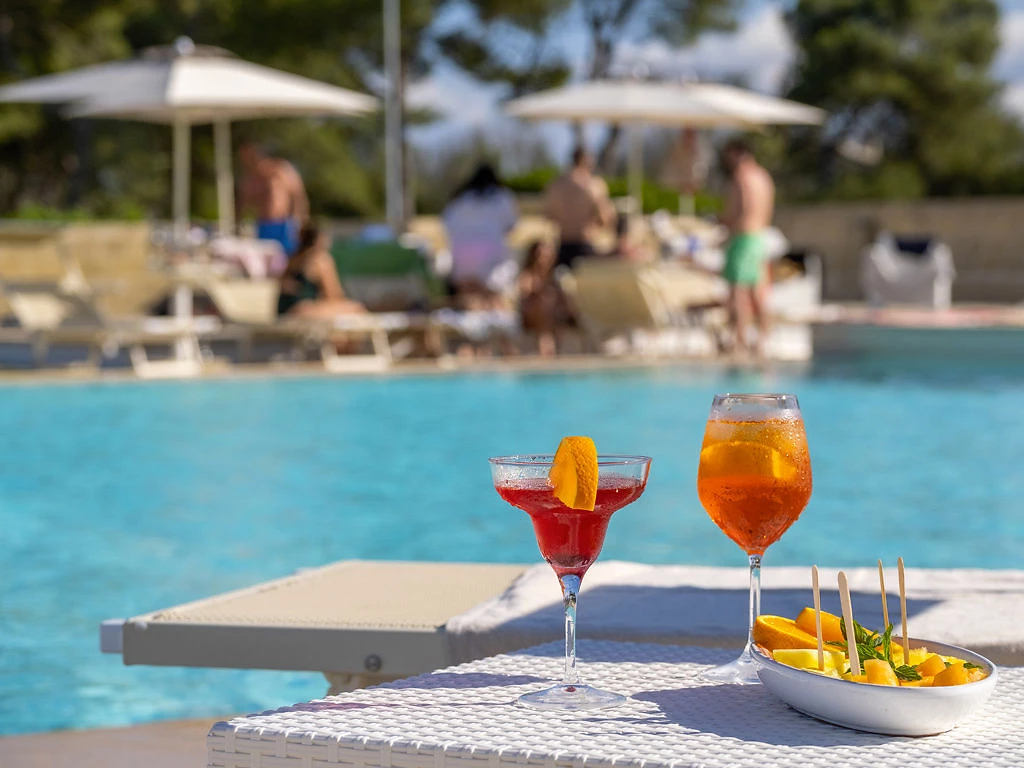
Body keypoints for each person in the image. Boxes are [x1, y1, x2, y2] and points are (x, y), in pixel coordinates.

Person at [720, 138, 775, 357]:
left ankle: (739, 341)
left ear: (736, 153)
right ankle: (762, 340)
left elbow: (739, 209)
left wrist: (723, 222)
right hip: (760, 236)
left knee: (738, 291)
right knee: (757, 291)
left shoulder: (741, 177)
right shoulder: (764, 177)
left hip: (743, 236)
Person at [442, 163, 519, 310]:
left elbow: (446, 224)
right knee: (493, 298)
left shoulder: (459, 199)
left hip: (461, 266)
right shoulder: (502, 197)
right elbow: (512, 226)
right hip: (492, 265)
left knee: (471, 300)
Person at [544, 147, 615, 269]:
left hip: (563, 245)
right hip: (585, 244)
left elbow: (550, 216)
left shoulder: (557, 185)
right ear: (587, 161)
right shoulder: (594, 185)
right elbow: (605, 219)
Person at [277, 222, 365, 318]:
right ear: (320, 239)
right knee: (357, 309)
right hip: (301, 311)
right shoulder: (320, 260)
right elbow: (334, 296)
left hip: (283, 311)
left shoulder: (292, 259)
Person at [238, 141, 309, 258]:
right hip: (263, 225)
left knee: (289, 258)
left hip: (284, 223)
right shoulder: (249, 178)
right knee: (266, 259)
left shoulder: (279, 169)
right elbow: (243, 204)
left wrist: (299, 221)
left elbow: (298, 195)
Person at [517, 240, 573, 357]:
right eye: (543, 256)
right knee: (543, 310)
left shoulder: (555, 275)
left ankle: (550, 351)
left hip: (551, 314)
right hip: (532, 316)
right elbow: (524, 297)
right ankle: (548, 353)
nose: (546, 259)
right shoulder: (528, 275)